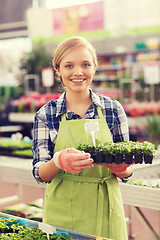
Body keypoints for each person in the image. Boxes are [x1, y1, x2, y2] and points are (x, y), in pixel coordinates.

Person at [32, 36, 133, 240]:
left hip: (106, 208)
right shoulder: (46, 114)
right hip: (63, 210)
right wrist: (58, 160)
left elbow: (128, 170)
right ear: (58, 70)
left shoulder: (113, 109)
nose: (78, 72)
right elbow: (40, 173)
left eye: (85, 64)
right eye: (69, 65)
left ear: (94, 67)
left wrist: (121, 168)